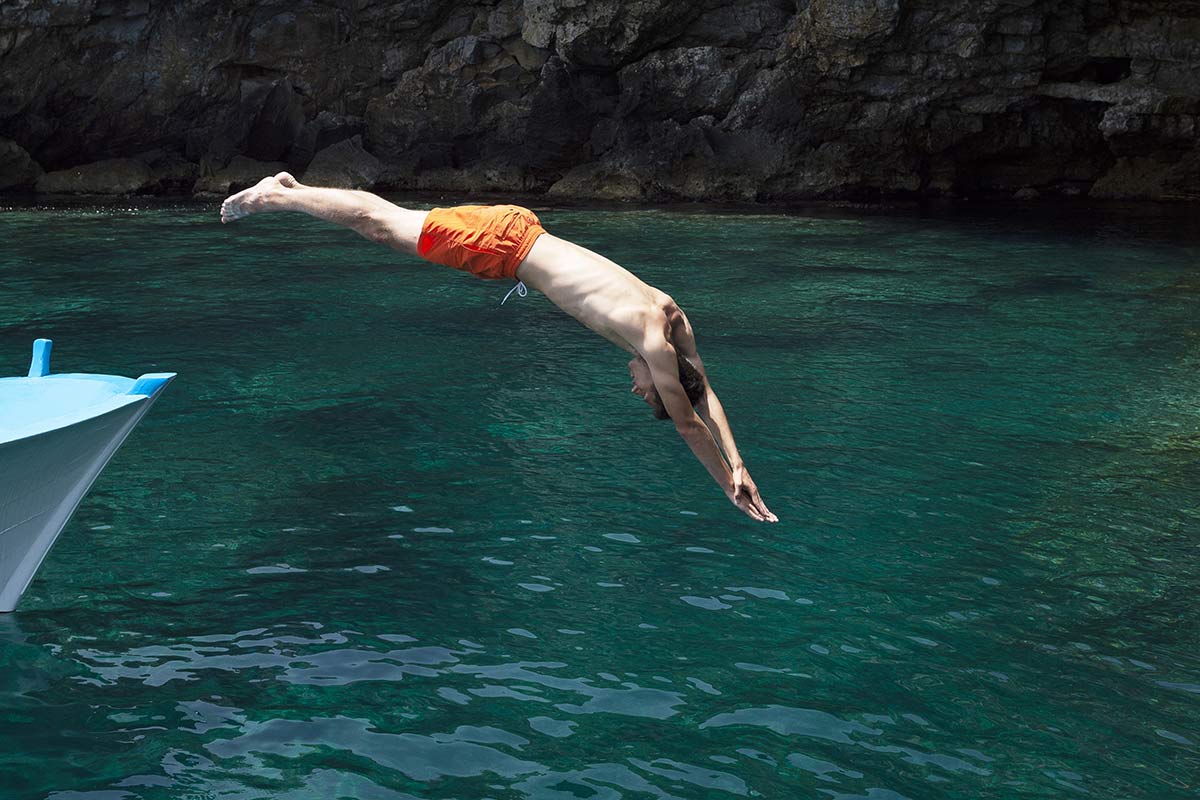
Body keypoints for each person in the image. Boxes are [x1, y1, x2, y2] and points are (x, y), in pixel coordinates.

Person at [221, 173, 777, 522]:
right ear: (662, 380)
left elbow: (706, 395)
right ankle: (282, 194)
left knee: (390, 224)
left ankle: (292, 192)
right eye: (645, 394)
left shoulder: (672, 317)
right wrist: (727, 488)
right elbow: (689, 423)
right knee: (381, 225)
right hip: (504, 248)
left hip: (520, 233)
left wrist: (742, 465)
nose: (633, 387)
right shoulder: (655, 346)